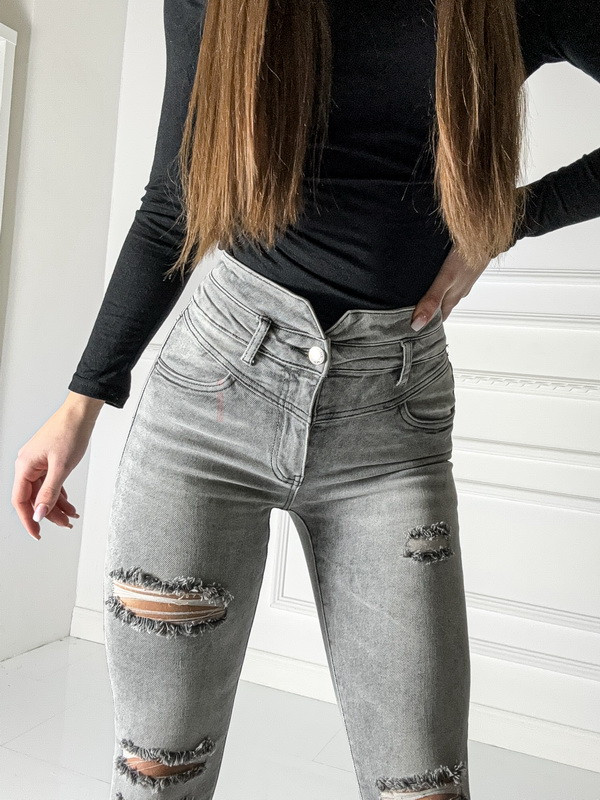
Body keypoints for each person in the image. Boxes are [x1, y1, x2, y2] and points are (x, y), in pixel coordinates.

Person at [12, 0, 600, 798]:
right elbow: (173, 204)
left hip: (390, 426)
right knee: (158, 780)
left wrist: (508, 220)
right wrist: (81, 401)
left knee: (423, 784)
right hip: (210, 405)